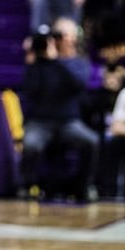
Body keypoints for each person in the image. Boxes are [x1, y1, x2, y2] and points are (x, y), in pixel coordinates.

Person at [18, 17, 100, 202]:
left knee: (91, 141)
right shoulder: (39, 62)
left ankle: (83, 186)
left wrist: (56, 61)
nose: (59, 39)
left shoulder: (78, 63)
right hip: (40, 122)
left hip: (68, 122)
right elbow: (30, 89)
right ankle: (26, 185)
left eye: (62, 35)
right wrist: (32, 62)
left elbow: (78, 84)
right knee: (31, 145)